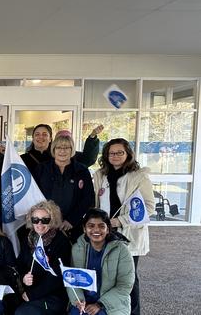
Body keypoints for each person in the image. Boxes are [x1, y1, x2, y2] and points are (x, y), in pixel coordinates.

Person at [93, 138, 155, 315]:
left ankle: (133, 312)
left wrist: (120, 221)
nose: (115, 156)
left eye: (120, 152)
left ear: (128, 154)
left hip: (129, 234)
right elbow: (96, 203)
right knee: (107, 273)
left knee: (129, 278)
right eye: (111, 153)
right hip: (104, 233)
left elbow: (148, 207)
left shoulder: (139, 176)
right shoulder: (100, 175)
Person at [67, 208, 135, 315]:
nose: (96, 230)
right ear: (84, 229)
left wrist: (100, 305)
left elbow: (125, 286)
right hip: (84, 303)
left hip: (112, 305)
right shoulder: (77, 249)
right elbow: (72, 280)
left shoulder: (121, 250)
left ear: (108, 229)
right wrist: (78, 300)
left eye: (101, 226)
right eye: (91, 226)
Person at [35, 132, 94, 241]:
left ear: (72, 150)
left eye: (66, 147)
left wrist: (71, 220)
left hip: (73, 226)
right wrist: (44, 219)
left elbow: (88, 198)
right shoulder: (42, 169)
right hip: (45, 224)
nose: (62, 151)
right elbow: (34, 195)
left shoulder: (82, 170)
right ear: (53, 149)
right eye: (59, 147)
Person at [16, 201, 71, 315]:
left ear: (52, 220)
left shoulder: (61, 241)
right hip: (29, 292)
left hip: (53, 296)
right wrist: (23, 277)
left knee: (22, 313)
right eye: (35, 220)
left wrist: (32, 294)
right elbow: (20, 264)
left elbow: (57, 276)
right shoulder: (28, 238)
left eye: (45, 220)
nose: (39, 224)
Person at [21, 125, 103, 179]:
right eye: (37, 134)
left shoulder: (63, 156)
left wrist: (92, 137)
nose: (40, 137)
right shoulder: (22, 159)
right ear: (32, 138)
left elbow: (88, 159)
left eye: (45, 134)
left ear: (50, 139)